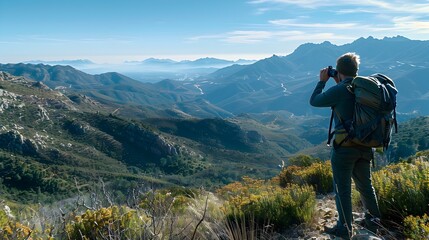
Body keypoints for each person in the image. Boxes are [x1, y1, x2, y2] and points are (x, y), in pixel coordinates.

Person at [309, 52, 381, 239]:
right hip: (365, 145)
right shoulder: (362, 88)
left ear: (338, 71)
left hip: (344, 147)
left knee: (342, 189)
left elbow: (314, 101)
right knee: (366, 186)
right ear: (356, 70)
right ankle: (374, 224)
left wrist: (322, 81)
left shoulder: (340, 90)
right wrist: (339, 81)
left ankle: (345, 229)